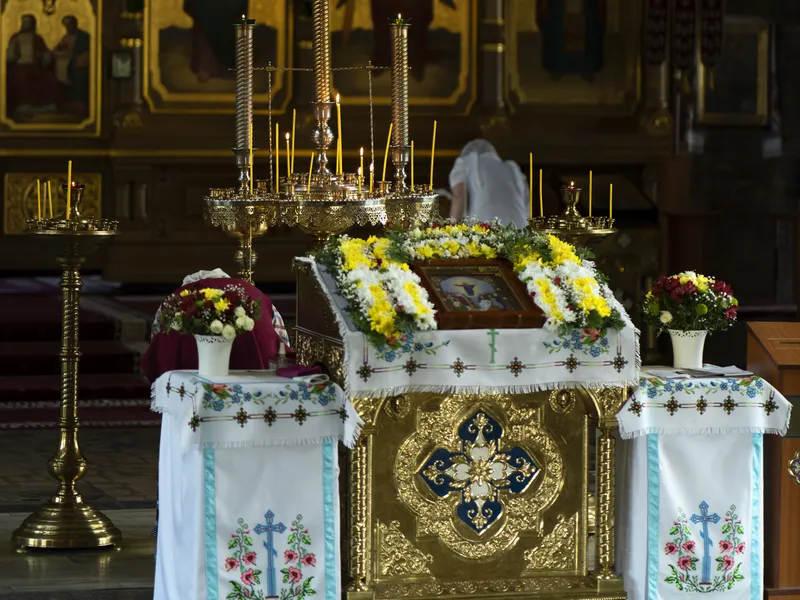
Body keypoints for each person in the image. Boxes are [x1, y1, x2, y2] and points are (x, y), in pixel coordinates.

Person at [146, 269, 292, 549]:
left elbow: (156, 361)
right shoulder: (258, 299)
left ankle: (181, 537)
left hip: (191, 404)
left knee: (190, 463)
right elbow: (280, 350)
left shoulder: (176, 300)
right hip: (251, 402)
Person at [448, 139, 529, 228]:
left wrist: (451, 229)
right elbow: (526, 203)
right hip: (520, 227)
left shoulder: (465, 162)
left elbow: (459, 197)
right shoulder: (513, 168)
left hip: (485, 226)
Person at [5, 14, 57, 117]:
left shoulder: (37, 38)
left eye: (28, 22)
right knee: (20, 77)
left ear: (32, 24)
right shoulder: (15, 38)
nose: (25, 24)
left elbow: (46, 53)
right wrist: (13, 50)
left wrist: (42, 56)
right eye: (24, 22)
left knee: (48, 78)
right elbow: (10, 56)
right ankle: (23, 105)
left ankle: (43, 106)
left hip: (34, 66)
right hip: (19, 65)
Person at [53, 16, 91, 114]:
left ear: (74, 24)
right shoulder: (66, 36)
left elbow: (86, 50)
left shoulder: (84, 36)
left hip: (82, 61)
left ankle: (79, 102)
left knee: (78, 75)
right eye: (66, 26)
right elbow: (58, 48)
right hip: (70, 61)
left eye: (69, 25)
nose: (68, 28)